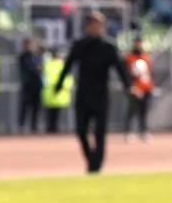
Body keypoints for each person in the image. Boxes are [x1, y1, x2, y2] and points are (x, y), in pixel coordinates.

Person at [54, 12, 130, 173]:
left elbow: (120, 68)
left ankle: (96, 165)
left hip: (101, 95)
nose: (96, 28)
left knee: (100, 133)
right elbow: (68, 66)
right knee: (81, 130)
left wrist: (128, 87)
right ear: (87, 27)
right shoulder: (80, 45)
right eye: (93, 25)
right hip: (83, 94)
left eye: (99, 25)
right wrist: (58, 85)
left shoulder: (108, 47)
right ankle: (91, 160)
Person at [124, 37, 153, 141]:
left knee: (144, 111)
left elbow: (149, 73)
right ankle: (129, 131)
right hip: (134, 88)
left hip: (146, 87)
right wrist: (130, 87)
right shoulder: (129, 57)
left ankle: (144, 131)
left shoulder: (146, 56)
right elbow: (126, 74)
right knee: (132, 111)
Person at [41, 49, 72, 133]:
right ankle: (54, 127)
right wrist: (68, 87)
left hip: (49, 91)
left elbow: (43, 77)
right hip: (60, 91)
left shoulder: (47, 64)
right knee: (56, 113)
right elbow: (68, 77)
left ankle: (50, 127)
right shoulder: (62, 64)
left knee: (50, 113)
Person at [18, 37, 43, 132]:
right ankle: (21, 126)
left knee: (36, 107)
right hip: (27, 85)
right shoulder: (23, 56)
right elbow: (30, 68)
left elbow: (39, 67)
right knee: (24, 107)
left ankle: (34, 126)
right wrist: (35, 68)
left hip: (36, 85)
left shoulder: (36, 56)